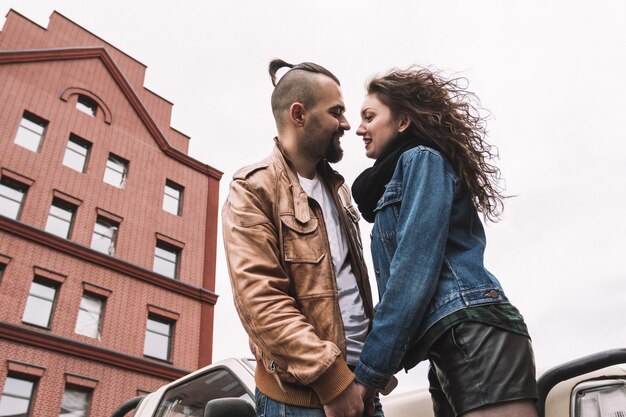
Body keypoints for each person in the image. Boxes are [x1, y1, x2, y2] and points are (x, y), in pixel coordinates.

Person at [351, 66, 539, 417]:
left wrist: (370, 372)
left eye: (370, 116)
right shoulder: (399, 175)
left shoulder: (422, 159)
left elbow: (412, 270)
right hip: (448, 343)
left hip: (475, 333)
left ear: (403, 121)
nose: (359, 128)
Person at [222, 59, 380, 417]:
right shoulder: (252, 189)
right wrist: (333, 381)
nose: (346, 124)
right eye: (336, 111)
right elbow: (261, 301)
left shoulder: (339, 191)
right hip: (304, 402)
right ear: (299, 115)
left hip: (363, 390)